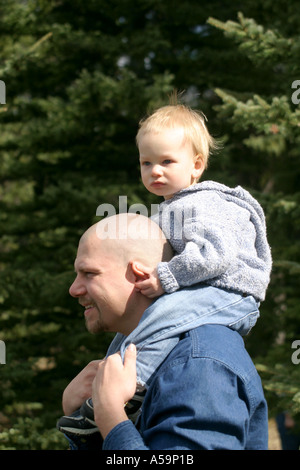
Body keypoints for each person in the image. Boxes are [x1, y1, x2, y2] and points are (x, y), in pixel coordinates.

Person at [57, 102, 272, 441]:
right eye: (146, 163)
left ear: (196, 165)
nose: (155, 171)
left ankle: (133, 387)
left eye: (167, 161)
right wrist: (94, 415)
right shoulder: (172, 209)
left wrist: (113, 417)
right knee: (133, 337)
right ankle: (110, 392)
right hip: (207, 287)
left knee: (161, 320)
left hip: (228, 290)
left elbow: (217, 255)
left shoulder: (199, 363)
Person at [58, 213, 269, 450]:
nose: (74, 289)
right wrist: (83, 414)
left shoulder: (198, 364)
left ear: (139, 275)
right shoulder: (145, 354)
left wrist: (111, 418)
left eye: (89, 274)